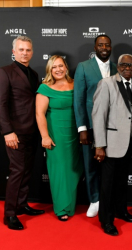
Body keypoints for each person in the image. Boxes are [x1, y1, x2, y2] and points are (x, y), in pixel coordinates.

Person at [92, 54, 132, 236]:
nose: (127, 67)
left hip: (128, 145)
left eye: (131, 65)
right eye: (123, 64)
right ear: (118, 66)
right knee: (107, 185)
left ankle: (121, 211)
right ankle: (106, 220)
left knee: (122, 182)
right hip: (110, 145)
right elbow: (98, 116)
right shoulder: (106, 84)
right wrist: (99, 145)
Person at [0, 36, 44, 230]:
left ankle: (21, 204)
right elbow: (1, 104)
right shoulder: (5, 72)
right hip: (15, 132)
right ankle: (9, 214)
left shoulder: (34, 74)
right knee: (17, 171)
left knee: (27, 170)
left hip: (32, 130)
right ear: (14, 51)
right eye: (21, 49)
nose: (25, 53)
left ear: (32, 52)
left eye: (28, 50)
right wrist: (7, 131)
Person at [74, 35, 117, 217]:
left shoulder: (117, 68)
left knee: (109, 166)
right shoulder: (84, 67)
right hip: (91, 126)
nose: (104, 47)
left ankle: (107, 200)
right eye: (101, 45)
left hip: (112, 126)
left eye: (107, 44)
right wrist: (82, 128)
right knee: (90, 164)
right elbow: (79, 99)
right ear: (95, 47)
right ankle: (94, 200)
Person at [36, 55, 83, 221]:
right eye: (54, 67)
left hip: (75, 135)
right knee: (59, 172)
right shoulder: (45, 88)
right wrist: (45, 136)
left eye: (61, 66)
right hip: (56, 136)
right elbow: (39, 114)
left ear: (66, 67)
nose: (58, 69)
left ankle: (70, 205)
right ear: (50, 69)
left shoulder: (75, 84)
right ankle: (61, 208)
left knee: (73, 170)